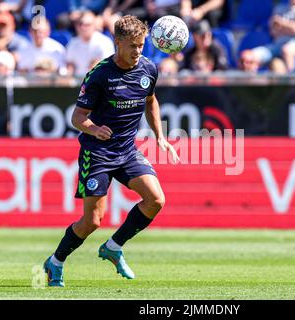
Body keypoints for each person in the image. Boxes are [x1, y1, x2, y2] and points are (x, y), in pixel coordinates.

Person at [43, 15, 180, 287]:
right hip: (98, 153)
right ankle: (56, 261)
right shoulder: (100, 75)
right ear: (117, 43)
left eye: (141, 45)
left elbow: (151, 101)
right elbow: (77, 117)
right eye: (133, 46)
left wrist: (160, 137)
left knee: (156, 200)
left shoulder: (148, 69)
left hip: (127, 150)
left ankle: (114, 247)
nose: (138, 51)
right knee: (92, 221)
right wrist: (94, 129)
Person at [250, 0, 295, 72]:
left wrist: (281, 24)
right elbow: (273, 31)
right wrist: (291, 27)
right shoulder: (280, 7)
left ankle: (291, 80)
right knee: (250, 57)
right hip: (277, 45)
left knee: (287, 50)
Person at [66, 10, 115, 76]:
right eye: (80, 24)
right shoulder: (73, 42)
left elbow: (106, 67)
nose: (83, 27)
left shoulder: (105, 42)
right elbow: (70, 66)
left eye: (87, 25)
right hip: (77, 83)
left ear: (94, 25)